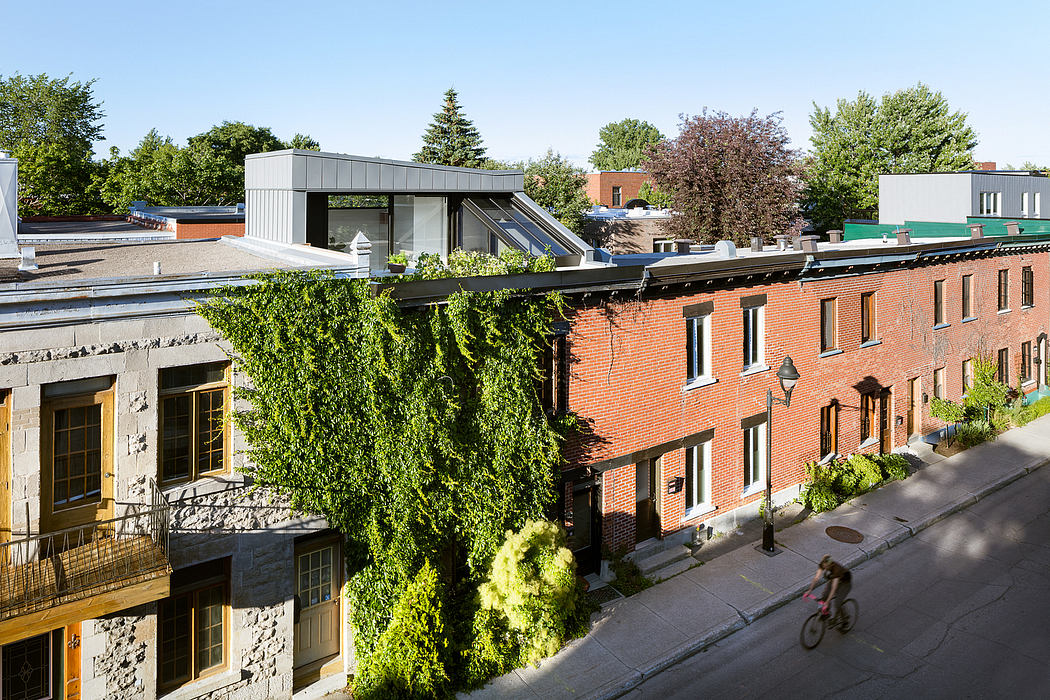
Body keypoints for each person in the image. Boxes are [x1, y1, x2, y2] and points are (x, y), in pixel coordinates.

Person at [802, 555, 851, 621]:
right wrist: (809, 590)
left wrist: (827, 602)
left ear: (831, 564)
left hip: (845, 583)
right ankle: (826, 613)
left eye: (827, 566)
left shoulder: (837, 569)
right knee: (824, 595)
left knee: (837, 603)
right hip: (833, 579)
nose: (825, 567)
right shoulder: (823, 565)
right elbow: (816, 578)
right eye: (824, 565)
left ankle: (845, 618)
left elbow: (834, 588)